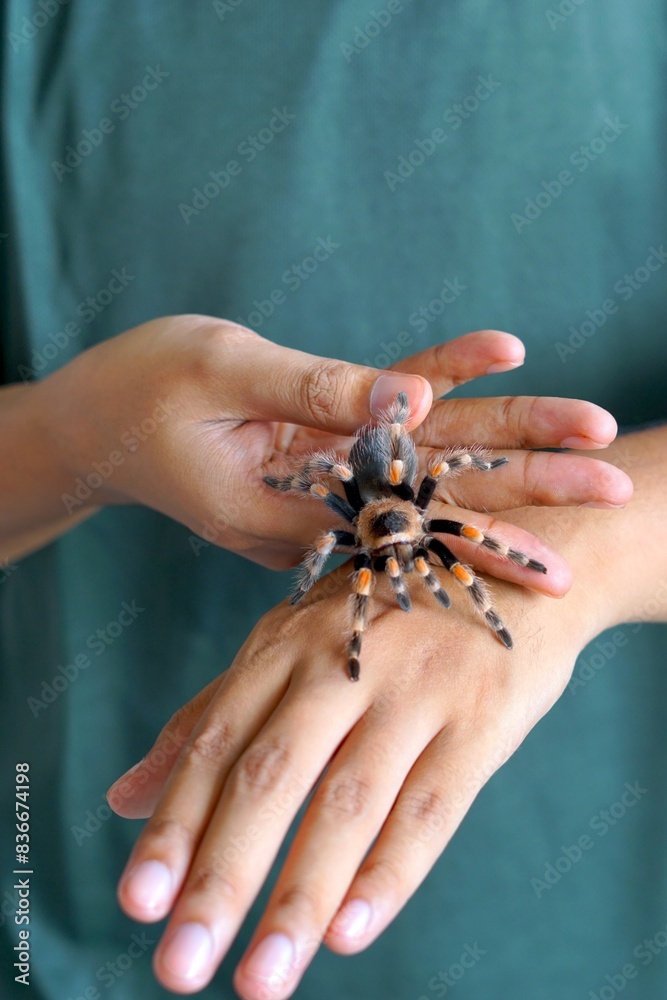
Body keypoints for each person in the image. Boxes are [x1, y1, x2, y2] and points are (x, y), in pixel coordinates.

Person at [1, 2, 665, 998]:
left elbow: (433, 512)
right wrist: (83, 434)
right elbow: (327, 532)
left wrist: (576, 557)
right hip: (62, 913)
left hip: (561, 927)